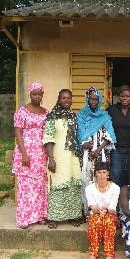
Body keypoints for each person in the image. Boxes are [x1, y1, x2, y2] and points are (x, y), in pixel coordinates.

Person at [43, 89, 83, 229]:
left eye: (69, 98)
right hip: (58, 156)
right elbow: (48, 139)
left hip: (72, 156)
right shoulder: (51, 117)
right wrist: (51, 159)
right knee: (58, 184)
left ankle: (73, 215)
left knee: (73, 183)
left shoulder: (73, 116)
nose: (66, 101)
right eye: (63, 98)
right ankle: (54, 217)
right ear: (59, 100)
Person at [12, 82, 48, 229]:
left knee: (40, 185)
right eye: (35, 94)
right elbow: (18, 132)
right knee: (26, 186)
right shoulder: (22, 111)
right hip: (26, 151)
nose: (37, 96)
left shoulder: (46, 112)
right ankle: (25, 218)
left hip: (41, 152)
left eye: (40, 94)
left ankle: (40, 215)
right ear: (30, 94)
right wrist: (24, 154)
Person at [77, 87, 117, 217]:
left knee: (101, 180)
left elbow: (109, 135)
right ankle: (87, 211)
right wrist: (85, 144)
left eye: (96, 99)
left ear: (99, 100)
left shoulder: (104, 116)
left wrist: (98, 149)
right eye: (91, 99)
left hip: (101, 154)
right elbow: (79, 133)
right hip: (86, 155)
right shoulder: (81, 115)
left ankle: (102, 211)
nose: (93, 101)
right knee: (86, 180)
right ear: (87, 99)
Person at [85, 161, 120, 259]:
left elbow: (113, 209)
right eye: (99, 172)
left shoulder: (115, 188)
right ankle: (93, 253)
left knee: (108, 222)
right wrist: (99, 209)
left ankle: (109, 254)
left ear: (108, 173)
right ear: (95, 173)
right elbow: (92, 207)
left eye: (104, 172)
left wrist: (106, 210)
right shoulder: (89, 188)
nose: (102, 175)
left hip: (110, 214)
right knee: (96, 222)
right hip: (96, 213)